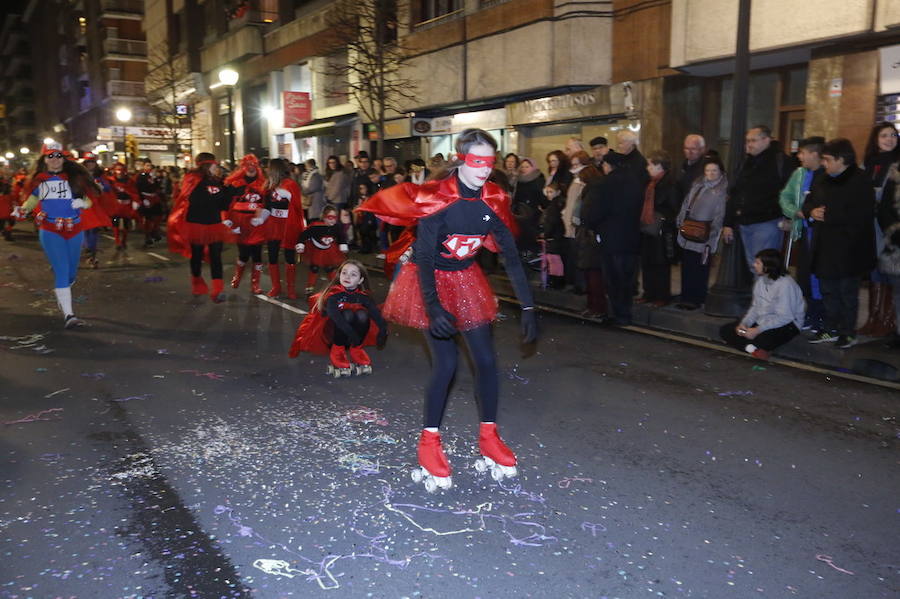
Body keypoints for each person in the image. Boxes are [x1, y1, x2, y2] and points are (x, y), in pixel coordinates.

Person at [356, 128, 538, 492]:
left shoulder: (493, 199)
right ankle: (429, 442)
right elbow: (424, 258)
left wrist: (529, 306)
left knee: (486, 361)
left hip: (466, 280)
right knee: (447, 365)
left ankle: (489, 436)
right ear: (461, 159)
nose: (484, 169)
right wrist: (433, 307)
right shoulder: (437, 199)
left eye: (489, 162)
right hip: (429, 282)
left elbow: (511, 256)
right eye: (477, 161)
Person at [14, 143, 102, 327]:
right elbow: (30, 203)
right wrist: (21, 210)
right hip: (50, 230)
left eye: (58, 156)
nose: (55, 159)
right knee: (62, 270)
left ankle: (63, 292)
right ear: (45, 160)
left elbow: (88, 201)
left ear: (63, 159)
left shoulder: (74, 179)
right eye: (50, 156)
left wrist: (82, 204)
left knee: (71, 274)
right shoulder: (40, 181)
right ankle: (69, 315)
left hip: (74, 229)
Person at [803, 138, 876, 349]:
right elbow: (809, 202)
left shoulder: (860, 181)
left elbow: (862, 214)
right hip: (824, 246)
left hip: (849, 248)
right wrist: (811, 212)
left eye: (827, 159)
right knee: (828, 291)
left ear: (841, 159)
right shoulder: (823, 179)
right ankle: (830, 328)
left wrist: (828, 215)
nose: (823, 163)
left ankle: (848, 332)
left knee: (847, 293)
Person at [289, 259, 388, 375]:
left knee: (362, 314)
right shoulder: (333, 295)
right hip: (331, 333)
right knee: (347, 314)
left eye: (353, 274)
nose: (347, 277)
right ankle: (338, 350)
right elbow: (337, 319)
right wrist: (353, 336)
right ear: (339, 274)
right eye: (344, 273)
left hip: (352, 336)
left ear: (361, 280)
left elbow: (376, 315)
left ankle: (356, 349)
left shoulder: (362, 296)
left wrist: (383, 331)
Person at [583, 150, 644, 325]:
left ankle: (619, 315)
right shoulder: (635, 182)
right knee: (627, 278)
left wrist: (592, 226)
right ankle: (626, 313)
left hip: (611, 239)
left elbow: (595, 212)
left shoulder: (605, 183)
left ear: (609, 165)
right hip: (631, 238)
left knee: (614, 278)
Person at [722, 125, 794, 271]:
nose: (749, 144)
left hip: (768, 222)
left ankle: (766, 287)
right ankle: (758, 287)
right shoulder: (746, 162)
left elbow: (790, 192)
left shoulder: (781, 161)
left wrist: (788, 217)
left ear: (766, 140)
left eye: (753, 140)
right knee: (753, 266)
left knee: (766, 266)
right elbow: (735, 193)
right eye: (747, 141)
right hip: (745, 221)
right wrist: (728, 223)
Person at [167, 152, 231, 302]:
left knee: (216, 256)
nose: (216, 167)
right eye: (214, 164)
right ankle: (197, 282)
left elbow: (223, 205)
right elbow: (193, 201)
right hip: (197, 224)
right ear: (207, 165)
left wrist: (228, 191)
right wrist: (214, 194)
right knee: (196, 256)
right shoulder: (193, 180)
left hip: (214, 223)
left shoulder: (218, 181)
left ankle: (218, 289)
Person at [720, 248, 805, 360]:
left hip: (789, 324)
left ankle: (751, 347)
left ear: (768, 266)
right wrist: (744, 324)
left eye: (757, 263)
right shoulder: (760, 281)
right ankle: (752, 349)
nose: (754, 265)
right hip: (764, 320)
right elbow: (755, 308)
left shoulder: (785, 285)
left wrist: (757, 330)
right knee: (726, 330)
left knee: (762, 339)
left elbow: (786, 317)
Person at [779, 136, 827, 332]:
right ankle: (811, 311)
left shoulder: (826, 175)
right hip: (804, 230)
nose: (799, 156)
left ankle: (821, 315)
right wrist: (794, 211)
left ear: (814, 154)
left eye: (803, 153)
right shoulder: (799, 174)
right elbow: (785, 197)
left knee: (818, 275)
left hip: (821, 233)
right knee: (804, 274)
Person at [860, 123, 900, 337]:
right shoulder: (869, 163)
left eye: (893, 135)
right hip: (870, 222)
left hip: (891, 224)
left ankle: (889, 320)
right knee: (874, 267)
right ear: (875, 139)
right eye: (884, 135)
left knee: (892, 272)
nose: (889, 139)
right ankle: (874, 317)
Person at [675, 155, 728, 310]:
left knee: (700, 267)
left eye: (714, 170)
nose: (710, 173)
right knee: (687, 265)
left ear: (721, 171)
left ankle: (697, 298)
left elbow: (720, 214)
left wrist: (713, 231)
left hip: (705, 234)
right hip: (689, 229)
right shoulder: (697, 185)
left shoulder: (722, 191)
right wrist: (680, 220)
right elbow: (686, 204)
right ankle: (686, 296)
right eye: (708, 170)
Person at [638, 150, 679, 306]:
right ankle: (648, 293)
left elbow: (674, 208)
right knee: (647, 261)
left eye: (650, 164)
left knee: (660, 264)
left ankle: (661, 296)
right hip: (647, 227)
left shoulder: (670, 184)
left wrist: (661, 218)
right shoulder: (650, 183)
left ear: (659, 166)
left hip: (661, 230)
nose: (647, 168)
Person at [223, 154, 267, 294]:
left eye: (253, 164)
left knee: (257, 254)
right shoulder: (236, 184)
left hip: (257, 222)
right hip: (240, 222)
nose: (250, 167)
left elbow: (268, 203)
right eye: (248, 165)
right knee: (243, 253)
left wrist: (262, 217)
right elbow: (226, 203)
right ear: (243, 167)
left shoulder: (263, 184)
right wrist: (227, 220)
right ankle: (237, 276)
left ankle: (255, 284)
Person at [264, 158, 307, 299]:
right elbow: (266, 205)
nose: (267, 170)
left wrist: (287, 196)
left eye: (269, 168)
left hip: (288, 223)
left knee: (289, 256)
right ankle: (276, 287)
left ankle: (291, 289)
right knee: (272, 255)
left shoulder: (290, 184)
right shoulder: (269, 185)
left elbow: (297, 205)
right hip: (273, 224)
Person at [296, 204, 349, 295]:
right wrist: (301, 244)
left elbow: (341, 237)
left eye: (335, 217)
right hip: (316, 251)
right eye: (330, 217)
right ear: (324, 217)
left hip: (329, 250)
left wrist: (343, 245)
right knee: (314, 268)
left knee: (330, 268)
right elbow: (304, 235)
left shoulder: (336, 227)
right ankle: (309, 289)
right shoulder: (316, 227)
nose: (333, 220)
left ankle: (336, 289)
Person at [877, 161, 900, 347]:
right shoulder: (895, 171)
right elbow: (884, 208)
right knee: (898, 291)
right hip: (896, 244)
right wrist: (894, 231)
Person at [79, 153, 116, 268]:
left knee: (94, 230)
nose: (90, 164)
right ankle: (87, 250)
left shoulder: (100, 176)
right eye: (88, 162)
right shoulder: (80, 175)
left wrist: (100, 186)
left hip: (96, 206)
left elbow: (107, 188)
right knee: (85, 229)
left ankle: (92, 253)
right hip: (84, 205)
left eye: (92, 162)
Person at [511, 157, 545, 255]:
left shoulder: (538, 180)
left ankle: (530, 255)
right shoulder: (518, 179)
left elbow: (541, 197)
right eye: (522, 167)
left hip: (532, 213)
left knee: (529, 235)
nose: (524, 169)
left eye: (527, 167)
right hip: (519, 212)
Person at [107, 162, 139, 251]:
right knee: (115, 221)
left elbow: (134, 191)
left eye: (121, 169)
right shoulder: (111, 180)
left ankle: (124, 240)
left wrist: (135, 201)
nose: (119, 172)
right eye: (117, 169)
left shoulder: (129, 181)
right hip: (116, 204)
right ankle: (117, 241)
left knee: (126, 223)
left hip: (127, 204)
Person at [136, 161, 165, 248]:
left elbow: (157, 187)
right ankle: (147, 236)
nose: (149, 167)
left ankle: (154, 231)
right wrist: (142, 199)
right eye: (147, 165)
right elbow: (138, 188)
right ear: (144, 166)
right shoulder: (141, 177)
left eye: (150, 166)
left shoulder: (153, 176)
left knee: (159, 215)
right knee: (148, 219)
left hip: (154, 197)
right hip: (146, 197)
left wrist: (156, 179)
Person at [677, 134, 707, 204]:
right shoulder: (682, 165)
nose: (689, 152)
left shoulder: (708, 169)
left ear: (702, 149)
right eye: (686, 148)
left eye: (693, 149)